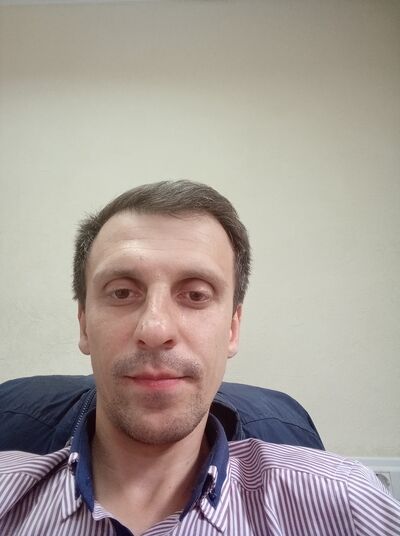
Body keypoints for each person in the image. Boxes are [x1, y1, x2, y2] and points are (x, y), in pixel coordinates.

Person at [0, 180, 399, 535]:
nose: (155, 329)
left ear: (232, 329)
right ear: (84, 324)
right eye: (122, 292)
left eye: (195, 295)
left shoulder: (345, 504)